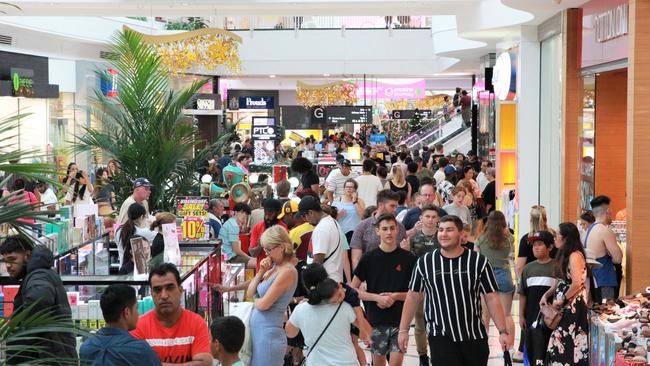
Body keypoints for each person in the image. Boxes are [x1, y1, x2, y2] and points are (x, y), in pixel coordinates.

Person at [398, 215, 513, 366]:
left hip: (474, 336)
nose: (444, 234)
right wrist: (403, 330)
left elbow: (491, 297)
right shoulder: (425, 262)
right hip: (441, 336)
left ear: (461, 234)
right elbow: (413, 297)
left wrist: (502, 331)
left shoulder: (478, 261)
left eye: (449, 230)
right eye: (441, 230)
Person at [351, 214, 416, 366]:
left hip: (400, 321)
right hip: (376, 321)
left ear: (397, 231)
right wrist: (376, 298)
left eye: (392, 228)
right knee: (378, 362)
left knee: (396, 363)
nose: (388, 232)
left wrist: (395, 296)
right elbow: (353, 291)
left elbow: (416, 294)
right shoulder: (368, 258)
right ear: (377, 231)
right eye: (384, 229)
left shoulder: (409, 259)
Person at [1, 238, 77, 364]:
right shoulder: (38, 274)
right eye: (5, 261)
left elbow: (39, 301)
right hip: (53, 354)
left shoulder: (38, 276)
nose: (8, 266)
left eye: (13, 260)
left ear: (27, 255)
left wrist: (18, 323)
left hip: (47, 356)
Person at [131, 263, 212, 365]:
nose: (164, 295)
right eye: (157, 290)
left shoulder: (197, 323)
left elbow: (205, 363)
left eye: (170, 288)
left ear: (180, 290)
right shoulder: (138, 327)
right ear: (151, 293)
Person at [246, 226, 298, 366]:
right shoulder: (274, 267)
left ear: (281, 247)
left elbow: (264, 304)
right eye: (265, 249)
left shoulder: (287, 271)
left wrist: (254, 300)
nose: (266, 253)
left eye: (269, 249)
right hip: (260, 331)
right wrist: (261, 272)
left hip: (268, 334)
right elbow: (250, 293)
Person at [286, 271, 360, 366]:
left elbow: (290, 333)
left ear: (305, 286)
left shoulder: (300, 309)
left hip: (316, 362)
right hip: (346, 361)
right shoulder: (344, 305)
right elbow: (364, 332)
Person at [541, 223, 589, 365]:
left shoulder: (575, 255)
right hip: (564, 303)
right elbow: (559, 281)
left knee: (567, 340)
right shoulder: (564, 254)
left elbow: (576, 283)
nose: (554, 238)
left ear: (566, 238)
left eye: (557, 235)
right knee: (560, 339)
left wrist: (562, 299)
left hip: (571, 305)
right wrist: (546, 294)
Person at [80, 284, 161, 366]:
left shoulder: (86, 348)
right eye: (136, 308)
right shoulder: (140, 350)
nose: (138, 314)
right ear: (127, 312)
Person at [474, 211, 515, 344]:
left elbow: (476, 259)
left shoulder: (481, 239)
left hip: (486, 276)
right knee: (507, 315)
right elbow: (511, 243)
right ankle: (509, 347)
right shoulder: (509, 238)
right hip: (504, 274)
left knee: (485, 316)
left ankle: (483, 344)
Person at [408, 204, 440, 366]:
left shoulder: (443, 237)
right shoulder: (414, 238)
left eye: (434, 217)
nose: (430, 220)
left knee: (439, 322)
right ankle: (422, 355)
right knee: (420, 322)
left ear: (438, 219)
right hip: (420, 286)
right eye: (427, 216)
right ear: (421, 218)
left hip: (440, 287)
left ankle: (438, 352)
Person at [517, 231, 555, 366]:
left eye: (540, 244)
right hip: (531, 318)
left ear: (550, 247)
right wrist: (521, 315)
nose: (536, 248)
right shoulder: (528, 269)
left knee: (548, 349)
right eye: (534, 245)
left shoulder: (557, 267)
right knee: (533, 351)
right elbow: (522, 294)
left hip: (551, 320)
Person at [350, 190, 407, 269]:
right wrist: (361, 279)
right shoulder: (362, 226)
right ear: (381, 205)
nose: (395, 210)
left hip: (393, 275)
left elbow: (404, 254)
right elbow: (356, 259)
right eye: (392, 206)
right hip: (369, 275)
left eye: (396, 206)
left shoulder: (400, 227)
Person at [299, 196, 350, 283]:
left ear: (311, 213)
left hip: (326, 284)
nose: (304, 220)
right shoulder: (332, 221)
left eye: (304, 216)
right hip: (333, 280)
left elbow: (317, 262)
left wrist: (310, 284)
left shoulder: (321, 229)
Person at [585, 195, 623, 302]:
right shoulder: (604, 231)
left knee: (597, 312)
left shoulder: (590, 230)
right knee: (607, 311)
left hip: (595, 279)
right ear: (608, 211)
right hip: (605, 280)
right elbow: (618, 258)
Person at [249, 199, 287, 271]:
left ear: (277, 213)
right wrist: (260, 245)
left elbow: (286, 253)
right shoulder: (257, 228)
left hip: (278, 272)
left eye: (270, 213)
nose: (267, 217)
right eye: (265, 212)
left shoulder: (283, 229)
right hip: (261, 272)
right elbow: (252, 253)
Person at [116, 203, 156, 268]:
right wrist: (154, 223)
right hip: (138, 268)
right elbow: (161, 236)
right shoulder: (143, 232)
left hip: (123, 267)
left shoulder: (119, 231)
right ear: (141, 217)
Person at [219, 203, 255, 268]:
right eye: (242, 212)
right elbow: (236, 250)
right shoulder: (234, 225)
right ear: (235, 212)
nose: (244, 215)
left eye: (246, 213)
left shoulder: (231, 222)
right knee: (257, 264)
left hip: (226, 256)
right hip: (230, 259)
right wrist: (250, 257)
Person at [332, 178, 365, 243]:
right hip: (341, 233)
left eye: (351, 187)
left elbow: (363, 216)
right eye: (347, 187)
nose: (349, 189)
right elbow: (331, 219)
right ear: (344, 189)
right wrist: (338, 216)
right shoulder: (337, 200)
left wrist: (355, 202)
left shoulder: (359, 201)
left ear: (355, 189)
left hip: (355, 233)